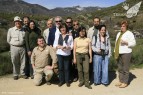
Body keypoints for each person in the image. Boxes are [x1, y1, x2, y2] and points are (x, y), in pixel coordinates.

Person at [114, 20, 136, 88]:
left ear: (126, 27)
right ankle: (121, 81)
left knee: (125, 68)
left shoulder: (129, 33)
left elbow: (134, 43)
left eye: (124, 26)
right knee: (120, 68)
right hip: (119, 52)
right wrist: (115, 50)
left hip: (126, 53)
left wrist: (126, 42)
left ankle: (125, 82)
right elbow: (116, 43)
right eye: (121, 26)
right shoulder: (118, 33)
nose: (122, 27)